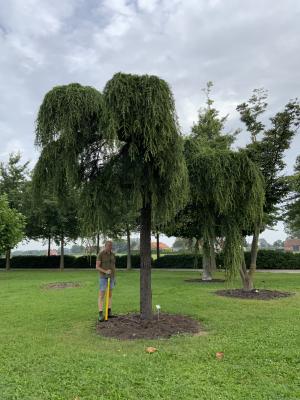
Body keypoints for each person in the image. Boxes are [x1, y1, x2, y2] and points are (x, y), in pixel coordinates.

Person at [96, 240, 116, 322]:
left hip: (112, 277)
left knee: (110, 294)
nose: (110, 248)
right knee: (102, 295)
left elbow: (114, 265)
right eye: (109, 246)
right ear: (105, 246)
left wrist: (114, 277)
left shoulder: (113, 254)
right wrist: (105, 271)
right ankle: (100, 314)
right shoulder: (101, 254)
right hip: (103, 277)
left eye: (111, 246)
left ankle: (109, 311)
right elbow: (97, 267)